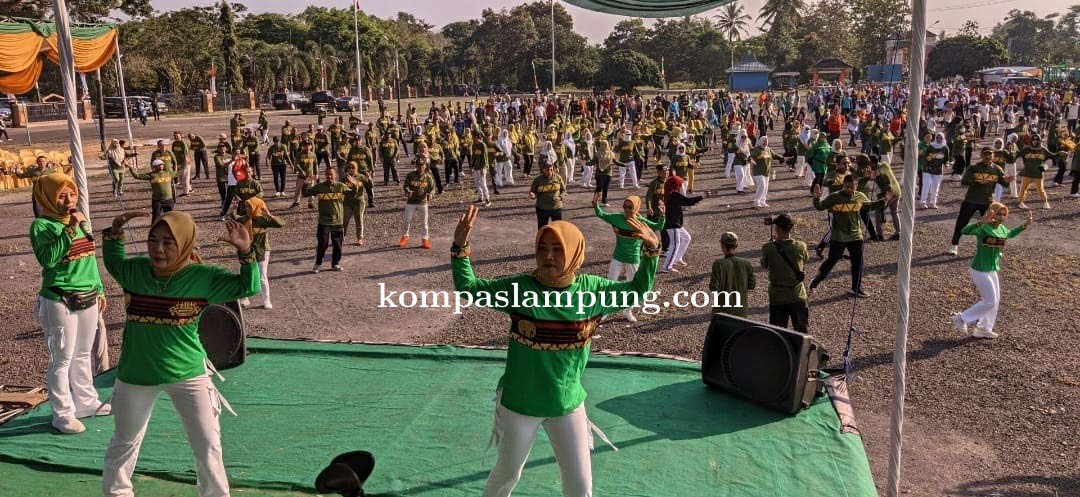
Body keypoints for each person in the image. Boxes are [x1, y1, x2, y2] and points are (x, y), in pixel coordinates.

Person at [450, 205, 660, 497]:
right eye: (543, 248)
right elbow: (469, 288)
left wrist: (652, 252)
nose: (548, 256)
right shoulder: (519, 289)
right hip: (520, 406)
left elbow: (636, 291)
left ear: (574, 252)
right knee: (507, 474)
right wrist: (460, 247)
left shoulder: (594, 292)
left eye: (558, 249)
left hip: (567, 405)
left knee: (580, 486)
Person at [100, 210, 259, 497]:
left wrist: (246, 252)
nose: (158, 249)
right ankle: (117, 493)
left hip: (187, 373)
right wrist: (114, 233)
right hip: (136, 374)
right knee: (125, 441)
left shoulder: (203, 277)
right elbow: (113, 262)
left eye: (168, 242)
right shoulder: (135, 271)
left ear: (185, 244)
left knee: (208, 443)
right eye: (152, 240)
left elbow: (248, 286)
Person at [30, 173, 110, 434]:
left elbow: (89, 256)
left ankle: (86, 402)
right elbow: (48, 259)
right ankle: (62, 413)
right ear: (48, 198)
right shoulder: (42, 225)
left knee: (83, 353)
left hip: (88, 294)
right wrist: (69, 229)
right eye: (61, 195)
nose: (68, 200)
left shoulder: (81, 218)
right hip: (60, 298)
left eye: (71, 194)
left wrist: (99, 289)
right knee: (61, 359)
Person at [951, 203, 1032, 339]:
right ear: (991, 213)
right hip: (979, 268)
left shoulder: (1002, 229)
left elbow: (1010, 234)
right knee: (990, 301)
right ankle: (962, 318)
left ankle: (983, 329)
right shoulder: (984, 227)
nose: (1001, 217)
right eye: (998, 213)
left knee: (995, 301)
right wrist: (980, 222)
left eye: (1003, 214)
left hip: (992, 268)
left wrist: (1025, 225)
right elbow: (964, 231)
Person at [809, 176, 894, 298]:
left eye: (852, 187)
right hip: (839, 236)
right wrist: (816, 198)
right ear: (843, 185)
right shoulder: (835, 196)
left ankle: (856, 288)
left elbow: (869, 206)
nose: (849, 189)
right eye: (847, 187)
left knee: (858, 262)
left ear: (856, 185)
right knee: (832, 261)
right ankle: (815, 281)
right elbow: (820, 207)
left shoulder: (859, 196)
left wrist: (884, 200)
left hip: (855, 235)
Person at [592, 194, 664, 322]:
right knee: (610, 284)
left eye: (630, 207)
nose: (627, 210)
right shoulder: (617, 218)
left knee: (634, 287)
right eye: (625, 206)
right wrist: (595, 204)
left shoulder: (640, 222)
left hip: (633, 258)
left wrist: (662, 216)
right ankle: (605, 310)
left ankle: (627, 311)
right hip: (618, 256)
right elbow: (602, 214)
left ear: (636, 208)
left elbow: (658, 226)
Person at [947, 147, 1013, 255]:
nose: (988, 157)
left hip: (987, 202)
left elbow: (1004, 183)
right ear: (981, 155)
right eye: (985, 154)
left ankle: (990, 246)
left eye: (990, 154)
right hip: (971, 200)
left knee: (991, 225)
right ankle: (954, 244)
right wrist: (977, 181)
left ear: (993, 156)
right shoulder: (974, 167)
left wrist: (1007, 181)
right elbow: (964, 181)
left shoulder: (997, 169)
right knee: (962, 223)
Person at [760, 214, 809, 332]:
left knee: (778, 334)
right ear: (791, 228)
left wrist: (773, 243)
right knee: (802, 332)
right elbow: (805, 260)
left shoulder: (768, 248)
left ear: (777, 229)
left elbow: (764, 265)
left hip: (778, 295)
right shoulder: (801, 246)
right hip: (797, 294)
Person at [233, 197, 283, 310]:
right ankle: (244, 299)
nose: (247, 209)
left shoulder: (263, 220)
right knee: (245, 274)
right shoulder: (246, 219)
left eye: (249, 206)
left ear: (256, 206)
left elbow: (281, 224)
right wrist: (232, 211)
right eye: (246, 206)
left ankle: (266, 300)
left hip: (262, 250)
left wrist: (269, 214)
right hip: (247, 251)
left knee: (262, 276)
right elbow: (236, 218)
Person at [305, 167, 353, 272]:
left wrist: (354, 184)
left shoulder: (341, 186)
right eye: (327, 174)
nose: (329, 176)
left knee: (338, 244)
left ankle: (335, 263)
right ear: (325, 175)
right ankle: (318, 263)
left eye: (331, 174)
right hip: (324, 222)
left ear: (335, 175)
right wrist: (306, 183)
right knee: (323, 243)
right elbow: (305, 193)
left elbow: (353, 194)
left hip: (338, 221)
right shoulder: (320, 187)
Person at [661, 174, 703, 273]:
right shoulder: (674, 194)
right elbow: (687, 201)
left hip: (675, 223)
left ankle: (677, 259)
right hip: (673, 224)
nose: (681, 185)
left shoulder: (670, 193)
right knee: (675, 244)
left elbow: (685, 201)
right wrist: (702, 196)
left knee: (686, 238)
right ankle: (667, 266)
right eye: (680, 183)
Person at [709, 232, 755, 317]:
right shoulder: (746, 263)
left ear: (722, 246)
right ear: (736, 246)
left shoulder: (718, 264)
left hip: (721, 312)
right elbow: (752, 285)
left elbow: (713, 287)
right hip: (741, 312)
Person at [397, 155, 436, 249]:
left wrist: (431, 194)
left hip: (423, 201)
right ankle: (405, 237)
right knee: (407, 220)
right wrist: (408, 191)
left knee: (424, 222)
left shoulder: (428, 177)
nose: (420, 167)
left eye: (422, 165)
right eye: (418, 165)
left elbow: (433, 188)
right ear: (416, 166)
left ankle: (425, 239)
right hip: (411, 201)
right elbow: (405, 186)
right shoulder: (411, 175)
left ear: (425, 166)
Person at [530, 160, 566, 228]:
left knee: (558, 228)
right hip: (542, 209)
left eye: (550, 169)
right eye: (547, 170)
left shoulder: (558, 178)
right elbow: (532, 192)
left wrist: (560, 198)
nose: (549, 172)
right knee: (542, 228)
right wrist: (532, 195)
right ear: (542, 170)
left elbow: (564, 190)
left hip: (556, 208)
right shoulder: (537, 180)